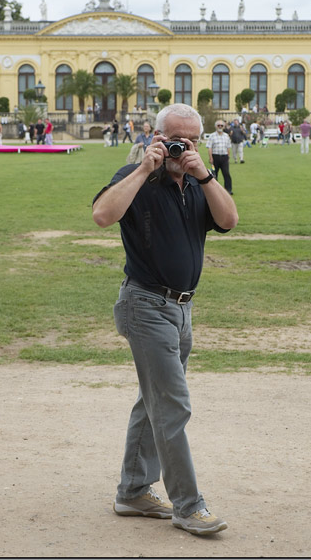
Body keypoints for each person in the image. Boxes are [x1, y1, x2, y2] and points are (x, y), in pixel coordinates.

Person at [91, 103, 237, 537]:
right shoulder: (135, 177)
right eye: (173, 138)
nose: (181, 147)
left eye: (190, 140)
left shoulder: (197, 184)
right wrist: (142, 168)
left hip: (182, 309)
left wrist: (205, 175)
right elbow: (102, 215)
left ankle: (133, 490)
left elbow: (229, 219)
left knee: (152, 401)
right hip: (145, 305)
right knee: (172, 405)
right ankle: (188, 506)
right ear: (156, 136)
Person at [207, 119, 232, 194]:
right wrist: (211, 158)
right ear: (216, 126)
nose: (220, 127)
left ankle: (228, 190)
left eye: (222, 125)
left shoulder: (226, 136)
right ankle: (215, 190)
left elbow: (228, 147)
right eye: (218, 125)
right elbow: (210, 148)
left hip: (224, 157)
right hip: (215, 157)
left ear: (224, 126)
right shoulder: (212, 136)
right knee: (214, 174)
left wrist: (228, 156)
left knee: (226, 173)